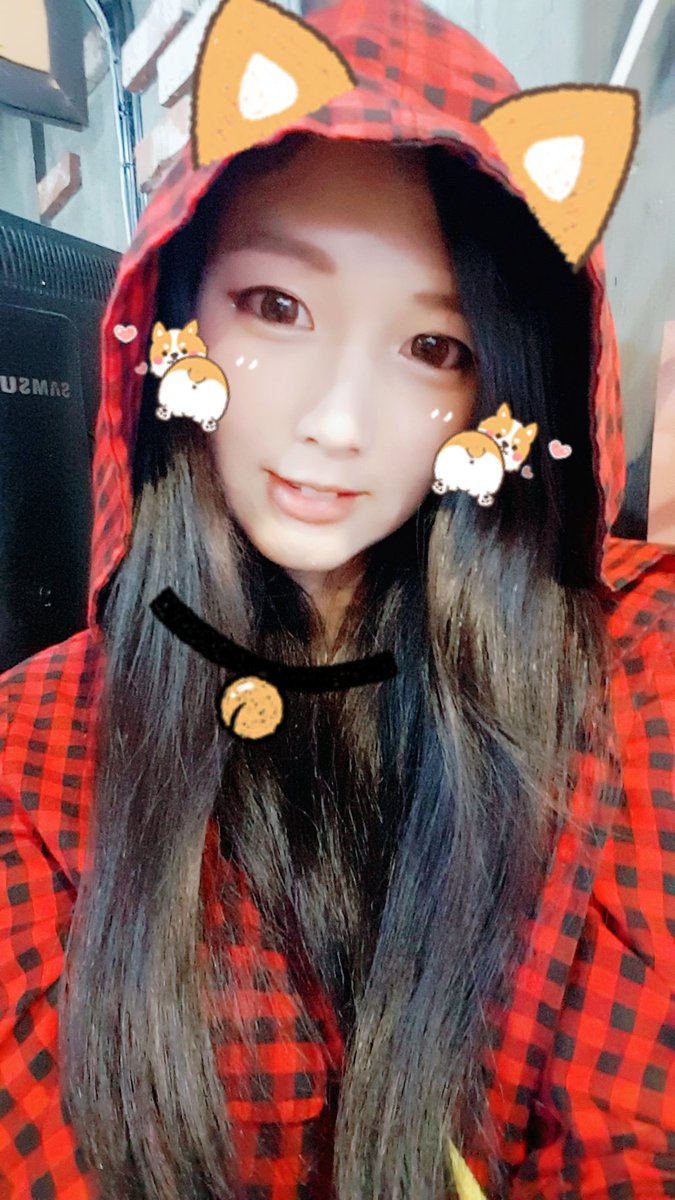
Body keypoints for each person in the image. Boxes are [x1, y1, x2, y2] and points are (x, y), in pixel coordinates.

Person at [1, 1, 674, 1197]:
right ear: (177, 314)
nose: (337, 423)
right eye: (276, 307)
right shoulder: (33, 754)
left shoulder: (632, 673)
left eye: (434, 349)